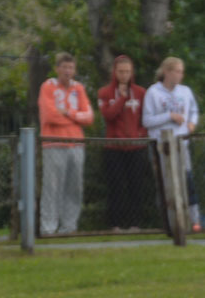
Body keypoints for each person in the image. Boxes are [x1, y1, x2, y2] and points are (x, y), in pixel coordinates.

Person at [37, 52, 95, 235]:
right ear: (57, 69)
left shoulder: (79, 89)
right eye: (64, 67)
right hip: (54, 144)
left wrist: (69, 113)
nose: (67, 71)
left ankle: (69, 227)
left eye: (71, 68)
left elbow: (89, 117)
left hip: (76, 144)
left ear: (75, 70)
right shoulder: (48, 87)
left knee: (74, 187)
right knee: (52, 187)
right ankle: (48, 228)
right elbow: (50, 115)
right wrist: (76, 118)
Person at [143, 56, 201, 231]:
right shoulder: (153, 93)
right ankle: (170, 222)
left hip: (181, 143)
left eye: (181, 72)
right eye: (177, 71)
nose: (180, 75)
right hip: (163, 146)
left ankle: (194, 220)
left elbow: (193, 111)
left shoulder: (185, 91)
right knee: (167, 184)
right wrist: (169, 116)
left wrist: (191, 123)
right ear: (167, 72)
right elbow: (147, 120)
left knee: (187, 180)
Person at [97, 54, 149, 230]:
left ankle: (135, 224)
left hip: (136, 147)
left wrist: (140, 134)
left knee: (136, 186)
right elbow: (108, 115)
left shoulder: (141, 93)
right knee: (116, 187)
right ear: (115, 72)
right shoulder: (104, 93)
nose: (124, 75)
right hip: (113, 148)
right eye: (121, 71)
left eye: (127, 71)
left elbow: (145, 118)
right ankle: (115, 224)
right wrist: (121, 98)